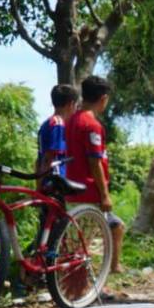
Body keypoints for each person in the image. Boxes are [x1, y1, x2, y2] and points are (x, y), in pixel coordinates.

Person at [65, 75, 125, 276]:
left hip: (72, 190)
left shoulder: (71, 120)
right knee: (81, 246)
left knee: (79, 240)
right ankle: (78, 290)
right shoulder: (92, 125)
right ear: (104, 98)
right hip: (88, 193)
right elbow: (94, 162)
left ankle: (99, 277)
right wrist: (105, 194)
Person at [37, 84, 78, 176]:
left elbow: (39, 159)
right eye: (76, 105)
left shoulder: (46, 124)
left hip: (47, 181)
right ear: (71, 104)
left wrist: (39, 183)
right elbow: (49, 157)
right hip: (57, 181)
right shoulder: (58, 124)